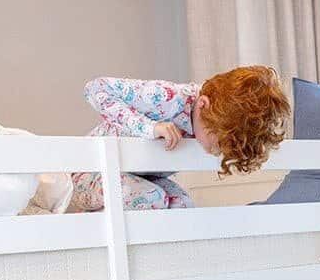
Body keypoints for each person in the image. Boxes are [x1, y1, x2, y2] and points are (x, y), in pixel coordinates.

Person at [71, 65, 290, 211]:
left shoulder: (208, 122)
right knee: (151, 196)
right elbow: (95, 88)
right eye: (219, 139)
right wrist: (149, 127)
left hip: (138, 176)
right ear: (203, 105)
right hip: (90, 174)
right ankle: (92, 222)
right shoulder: (167, 98)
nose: (218, 149)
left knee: (183, 206)